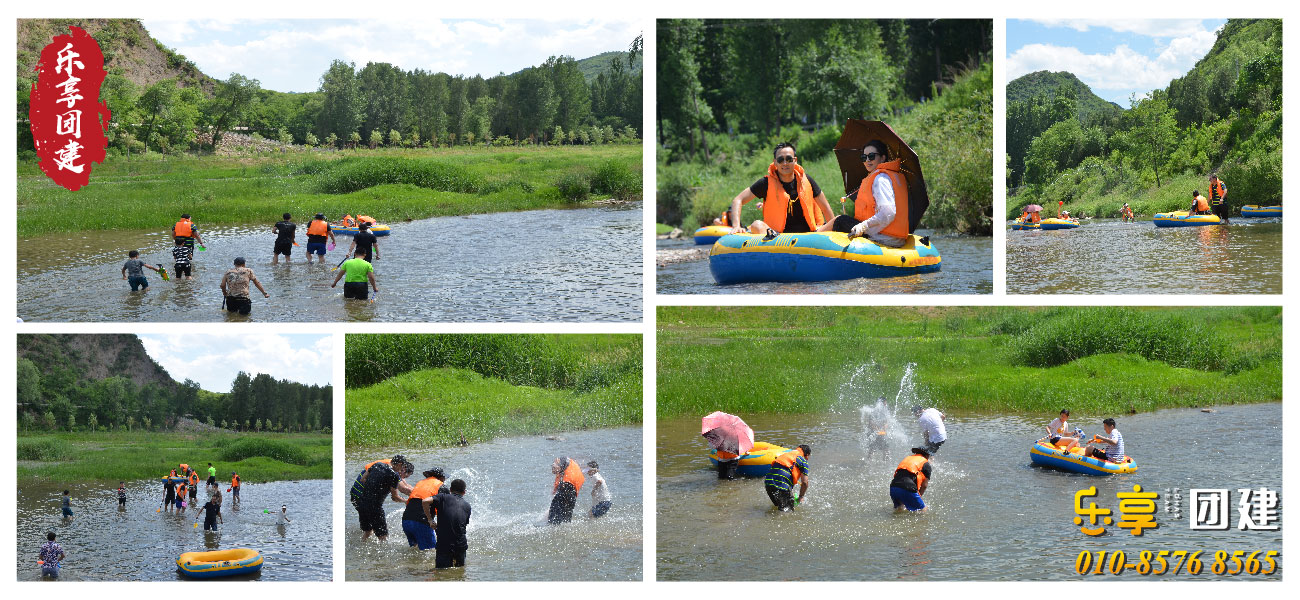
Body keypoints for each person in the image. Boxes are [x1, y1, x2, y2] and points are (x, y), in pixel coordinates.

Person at [728, 142, 834, 238]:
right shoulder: (765, 183)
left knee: (839, 219)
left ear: (795, 160)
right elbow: (738, 200)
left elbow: (825, 208)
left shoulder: (807, 180)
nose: (785, 163)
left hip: (808, 236)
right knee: (756, 225)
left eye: (789, 159)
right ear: (775, 162)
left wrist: (834, 232)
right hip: (777, 238)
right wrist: (736, 226)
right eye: (780, 160)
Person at [819, 140, 909, 247]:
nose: (867, 160)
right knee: (846, 220)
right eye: (864, 157)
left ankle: (812, 238)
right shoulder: (889, 176)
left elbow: (888, 213)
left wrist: (863, 225)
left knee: (840, 220)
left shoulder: (880, 179)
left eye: (871, 156)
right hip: (894, 238)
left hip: (882, 238)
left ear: (883, 157)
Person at [351, 456, 414, 541]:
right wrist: (408, 500)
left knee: (368, 531)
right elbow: (398, 494)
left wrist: (374, 485)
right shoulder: (393, 475)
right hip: (374, 506)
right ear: (400, 465)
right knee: (383, 536)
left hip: (361, 500)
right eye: (402, 467)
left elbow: (363, 479)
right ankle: (380, 554)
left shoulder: (378, 465)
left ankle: (360, 547)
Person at [430, 479, 471, 569]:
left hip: (444, 544)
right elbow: (463, 524)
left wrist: (430, 520)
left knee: (441, 572)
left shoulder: (442, 497)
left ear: (450, 489)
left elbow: (425, 501)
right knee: (460, 571)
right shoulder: (467, 505)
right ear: (464, 492)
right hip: (461, 544)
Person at [402, 468, 445, 551]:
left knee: (415, 551)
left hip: (406, 520)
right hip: (421, 523)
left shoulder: (420, 483)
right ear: (442, 478)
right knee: (431, 552)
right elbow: (447, 509)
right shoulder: (441, 486)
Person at [764, 444, 810, 511]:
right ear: (807, 455)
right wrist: (801, 497)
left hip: (768, 483)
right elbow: (805, 483)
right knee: (787, 512)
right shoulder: (803, 460)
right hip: (781, 484)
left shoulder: (786, 454)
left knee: (780, 508)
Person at [889, 448, 933, 512]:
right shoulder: (926, 464)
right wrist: (918, 497)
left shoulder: (907, 458)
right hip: (908, 487)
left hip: (893, 487)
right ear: (926, 455)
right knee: (923, 510)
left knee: (899, 510)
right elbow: (924, 485)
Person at [547, 457, 586, 524]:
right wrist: (555, 489)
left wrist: (555, 489)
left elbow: (557, 466)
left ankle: (551, 524)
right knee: (567, 513)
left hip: (567, 485)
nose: (553, 471)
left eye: (553, 468)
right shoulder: (571, 466)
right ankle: (565, 525)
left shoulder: (561, 462)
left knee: (555, 508)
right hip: (573, 490)